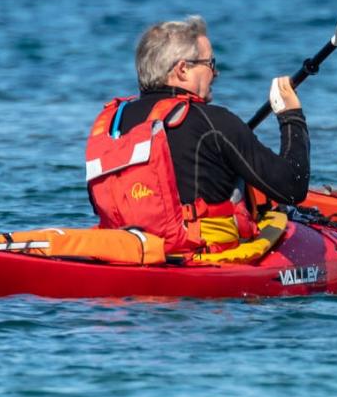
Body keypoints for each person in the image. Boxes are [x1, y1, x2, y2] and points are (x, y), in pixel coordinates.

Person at [85, 15, 309, 253]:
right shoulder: (215, 123)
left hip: (126, 250)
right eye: (210, 64)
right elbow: (292, 188)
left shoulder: (111, 122)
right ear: (183, 69)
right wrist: (291, 116)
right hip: (200, 256)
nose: (216, 73)